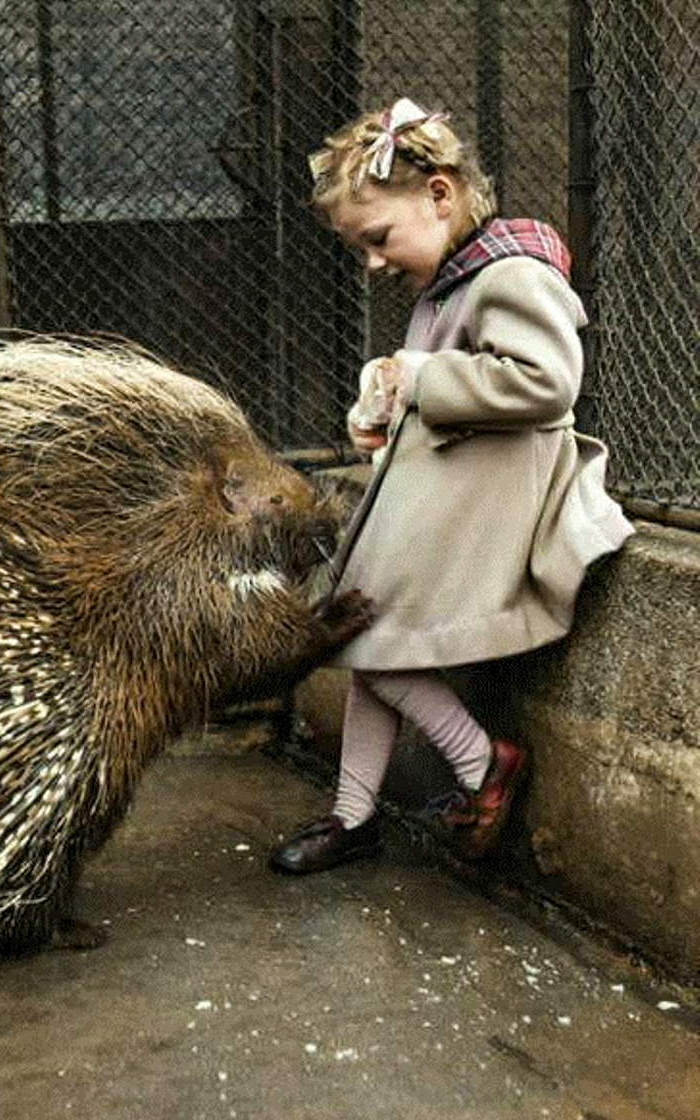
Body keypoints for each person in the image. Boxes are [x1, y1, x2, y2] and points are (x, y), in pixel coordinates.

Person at [271, 97, 634, 874]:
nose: (372, 261)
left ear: (439, 195)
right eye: (358, 247)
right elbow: (446, 386)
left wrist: (426, 378)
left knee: (370, 634)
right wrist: (387, 407)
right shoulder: (449, 282)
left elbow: (546, 381)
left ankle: (480, 764)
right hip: (443, 505)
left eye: (377, 238)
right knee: (364, 626)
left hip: (490, 509)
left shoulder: (510, 274)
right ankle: (354, 812)